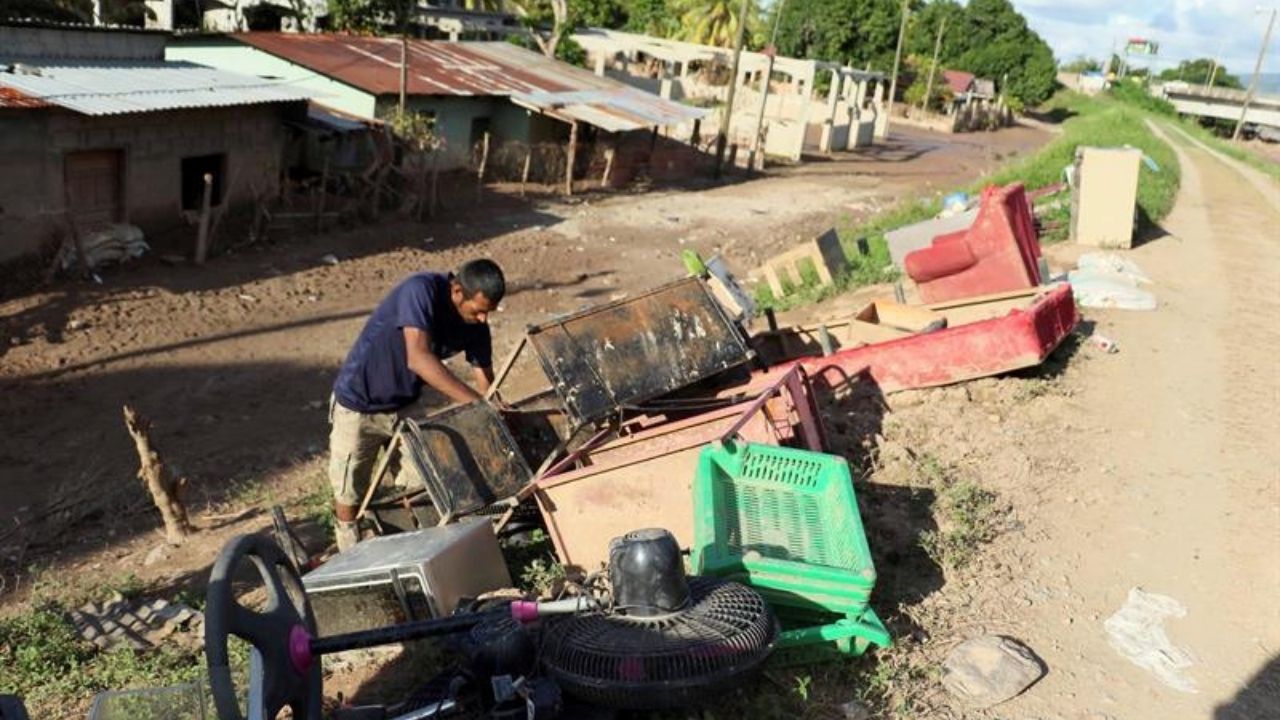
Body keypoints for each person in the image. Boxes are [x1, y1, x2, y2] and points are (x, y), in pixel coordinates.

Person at [327, 259, 505, 550]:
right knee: (349, 490)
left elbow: (486, 380)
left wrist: (496, 411)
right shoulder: (420, 290)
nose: (485, 319)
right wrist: (480, 406)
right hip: (358, 405)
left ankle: (426, 547)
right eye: (480, 310)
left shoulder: (475, 324)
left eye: (489, 312)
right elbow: (418, 358)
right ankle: (350, 548)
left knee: (423, 481)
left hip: (405, 406)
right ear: (457, 291)